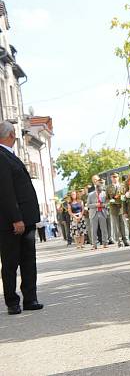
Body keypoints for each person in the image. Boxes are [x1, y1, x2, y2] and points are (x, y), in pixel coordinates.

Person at [0, 121, 43, 315]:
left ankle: (30, 298)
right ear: (9, 135)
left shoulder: (9, 155)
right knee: (10, 263)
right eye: (15, 133)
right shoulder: (1, 157)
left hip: (26, 218)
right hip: (13, 222)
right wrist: (16, 218)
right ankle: (12, 302)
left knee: (28, 260)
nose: (16, 136)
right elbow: (6, 191)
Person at [86, 175, 110, 250]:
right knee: (94, 229)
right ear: (96, 189)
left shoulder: (104, 193)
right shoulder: (90, 195)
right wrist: (96, 205)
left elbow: (107, 203)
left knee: (104, 229)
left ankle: (105, 243)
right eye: (98, 190)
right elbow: (88, 205)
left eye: (100, 190)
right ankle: (94, 244)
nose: (99, 191)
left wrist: (104, 205)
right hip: (94, 213)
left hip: (102, 212)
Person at [106, 173, 129, 247]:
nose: (114, 178)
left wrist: (123, 198)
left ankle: (126, 239)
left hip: (122, 206)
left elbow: (125, 195)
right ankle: (120, 241)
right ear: (111, 178)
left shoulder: (122, 186)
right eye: (113, 177)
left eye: (115, 177)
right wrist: (111, 200)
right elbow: (106, 198)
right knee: (116, 225)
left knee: (123, 224)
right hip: (114, 208)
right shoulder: (108, 187)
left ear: (118, 177)